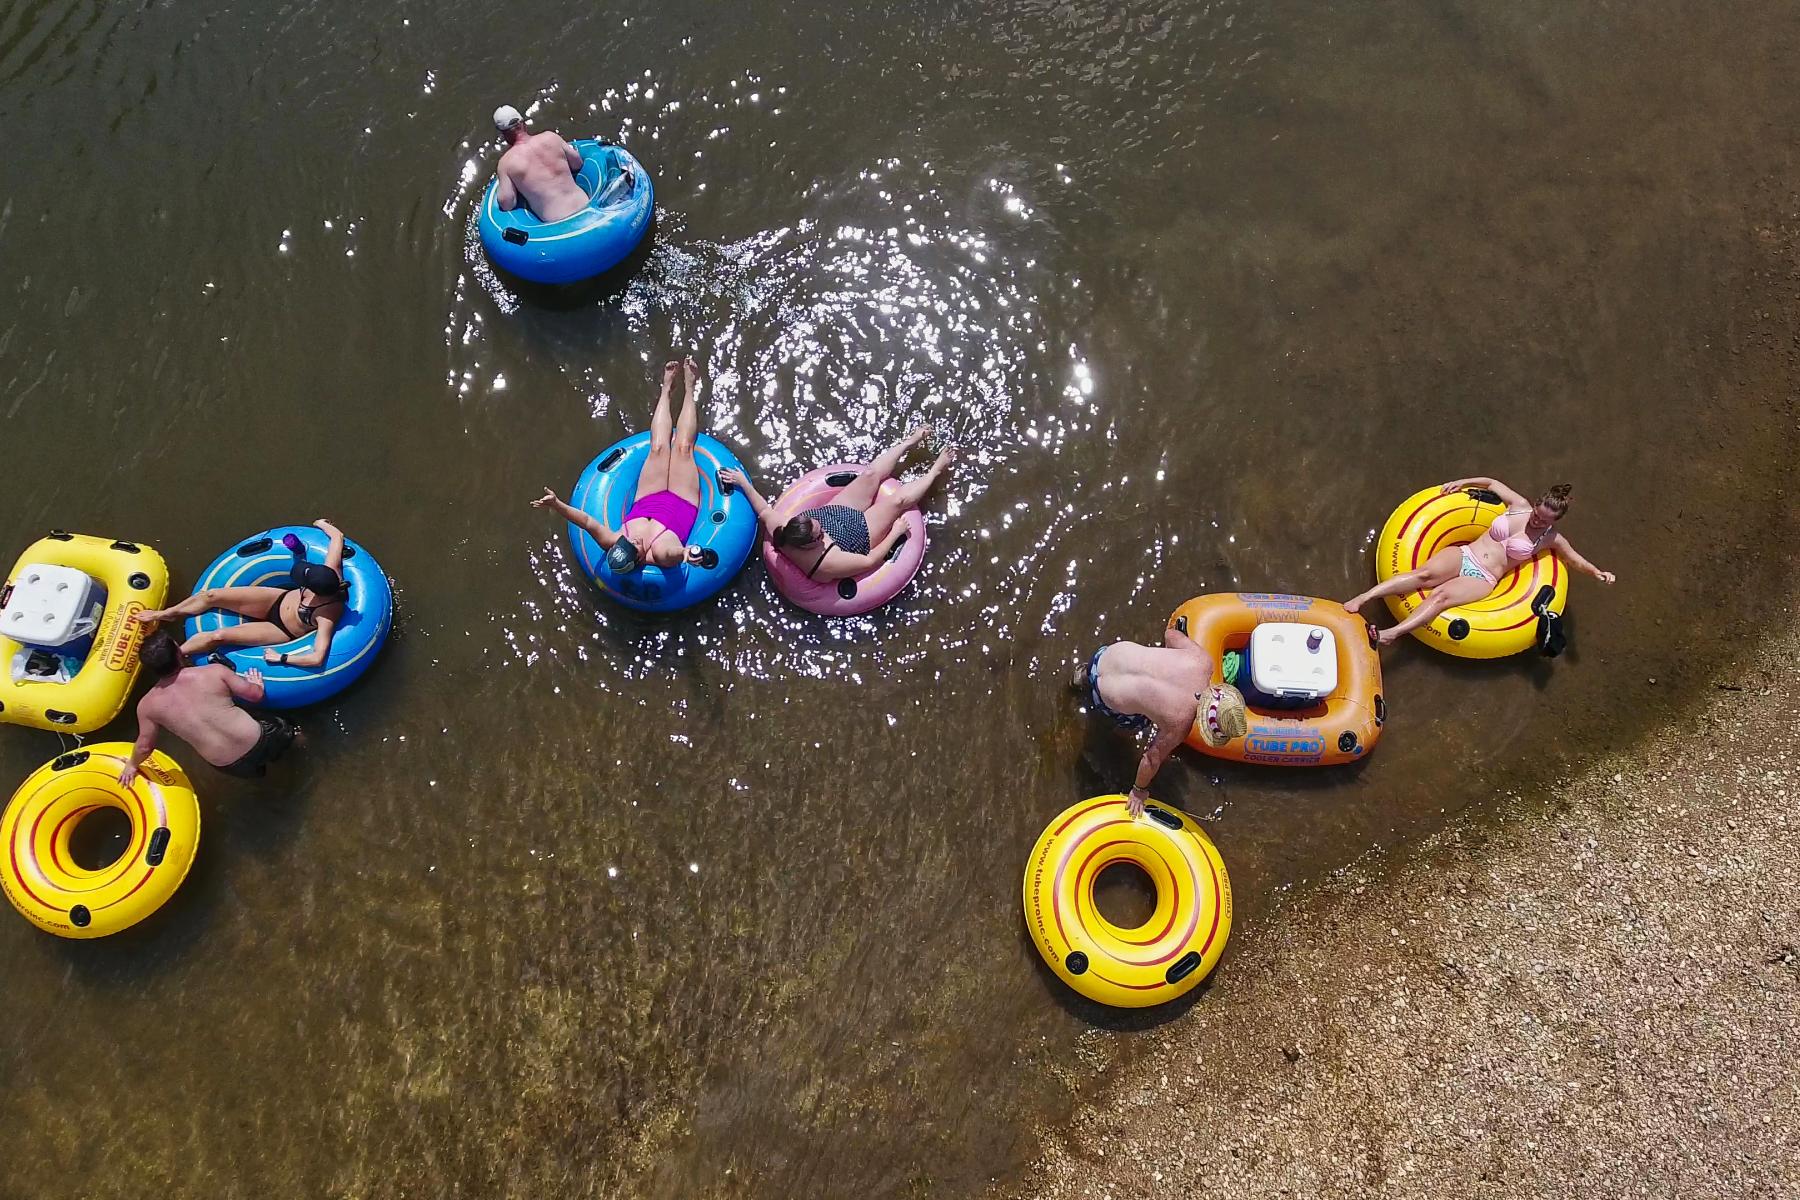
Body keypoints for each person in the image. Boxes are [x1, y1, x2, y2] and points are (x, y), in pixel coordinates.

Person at [1346, 478, 1616, 646]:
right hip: (1466, 553)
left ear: (1554, 521)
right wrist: (1462, 483)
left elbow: (1574, 559)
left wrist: (1597, 572)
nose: (1537, 521)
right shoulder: (1518, 505)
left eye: (1544, 520)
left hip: (1484, 578)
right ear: (1535, 505)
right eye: (1537, 514)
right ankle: (1364, 597)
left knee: (1440, 597)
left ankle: (1391, 634)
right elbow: (1490, 483)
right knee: (1424, 574)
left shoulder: (1551, 538)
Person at [534, 358, 711, 572]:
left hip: (648, 497)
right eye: (634, 548)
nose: (632, 541)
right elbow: (676, 554)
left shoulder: (614, 541)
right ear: (637, 561)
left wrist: (556, 504)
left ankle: (666, 389)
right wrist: (686, 554)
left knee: (657, 447)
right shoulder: (660, 553)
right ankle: (690, 387)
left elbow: (587, 522)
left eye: (625, 543)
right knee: (683, 448)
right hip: (681, 501)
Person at [719, 427, 956, 583]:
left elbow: (764, 511)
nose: (821, 531)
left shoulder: (783, 529)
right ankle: (936, 469)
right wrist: (896, 532)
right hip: (858, 535)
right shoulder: (825, 562)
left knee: (870, 474)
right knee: (898, 501)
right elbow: (870, 561)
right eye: (819, 532)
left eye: (814, 522)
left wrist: (742, 482)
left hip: (835, 512)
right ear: (810, 543)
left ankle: (911, 440)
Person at [1071, 624, 1249, 817]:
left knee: (1113, 676)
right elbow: (1151, 759)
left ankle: (1082, 676)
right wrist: (1138, 790)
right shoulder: (1180, 723)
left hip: (1110, 655)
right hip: (1106, 696)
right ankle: (1095, 697)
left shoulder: (1202, 662)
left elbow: (1170, 634)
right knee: (1136, 722)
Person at [134, 519, 349, 666]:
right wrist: (321, 524)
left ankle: (176, 656)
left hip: (281, 629)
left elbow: (317, 657)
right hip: (276, 600)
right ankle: (166, 614)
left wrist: (281, 658)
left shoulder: (326, 615)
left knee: (219, 635)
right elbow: (337, 538)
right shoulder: (331, 572)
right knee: (212, 595)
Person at [119, 630, 299, 782]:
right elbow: (255, 696)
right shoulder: (213, 672)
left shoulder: (147, 706)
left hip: (228, 763)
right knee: (291, 732)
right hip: (259, 738)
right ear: (178, 652)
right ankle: (301, 743)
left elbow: (144, 746)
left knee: (266, 779)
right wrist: (256, 683)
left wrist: (132, 765)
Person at [491, 104, 591, 223]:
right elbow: (577, 164)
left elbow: (507, 203)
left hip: (559, 223)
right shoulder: (551, 137)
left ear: (503, 134)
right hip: (586, 206)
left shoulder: (506, 163)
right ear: (523, 123)